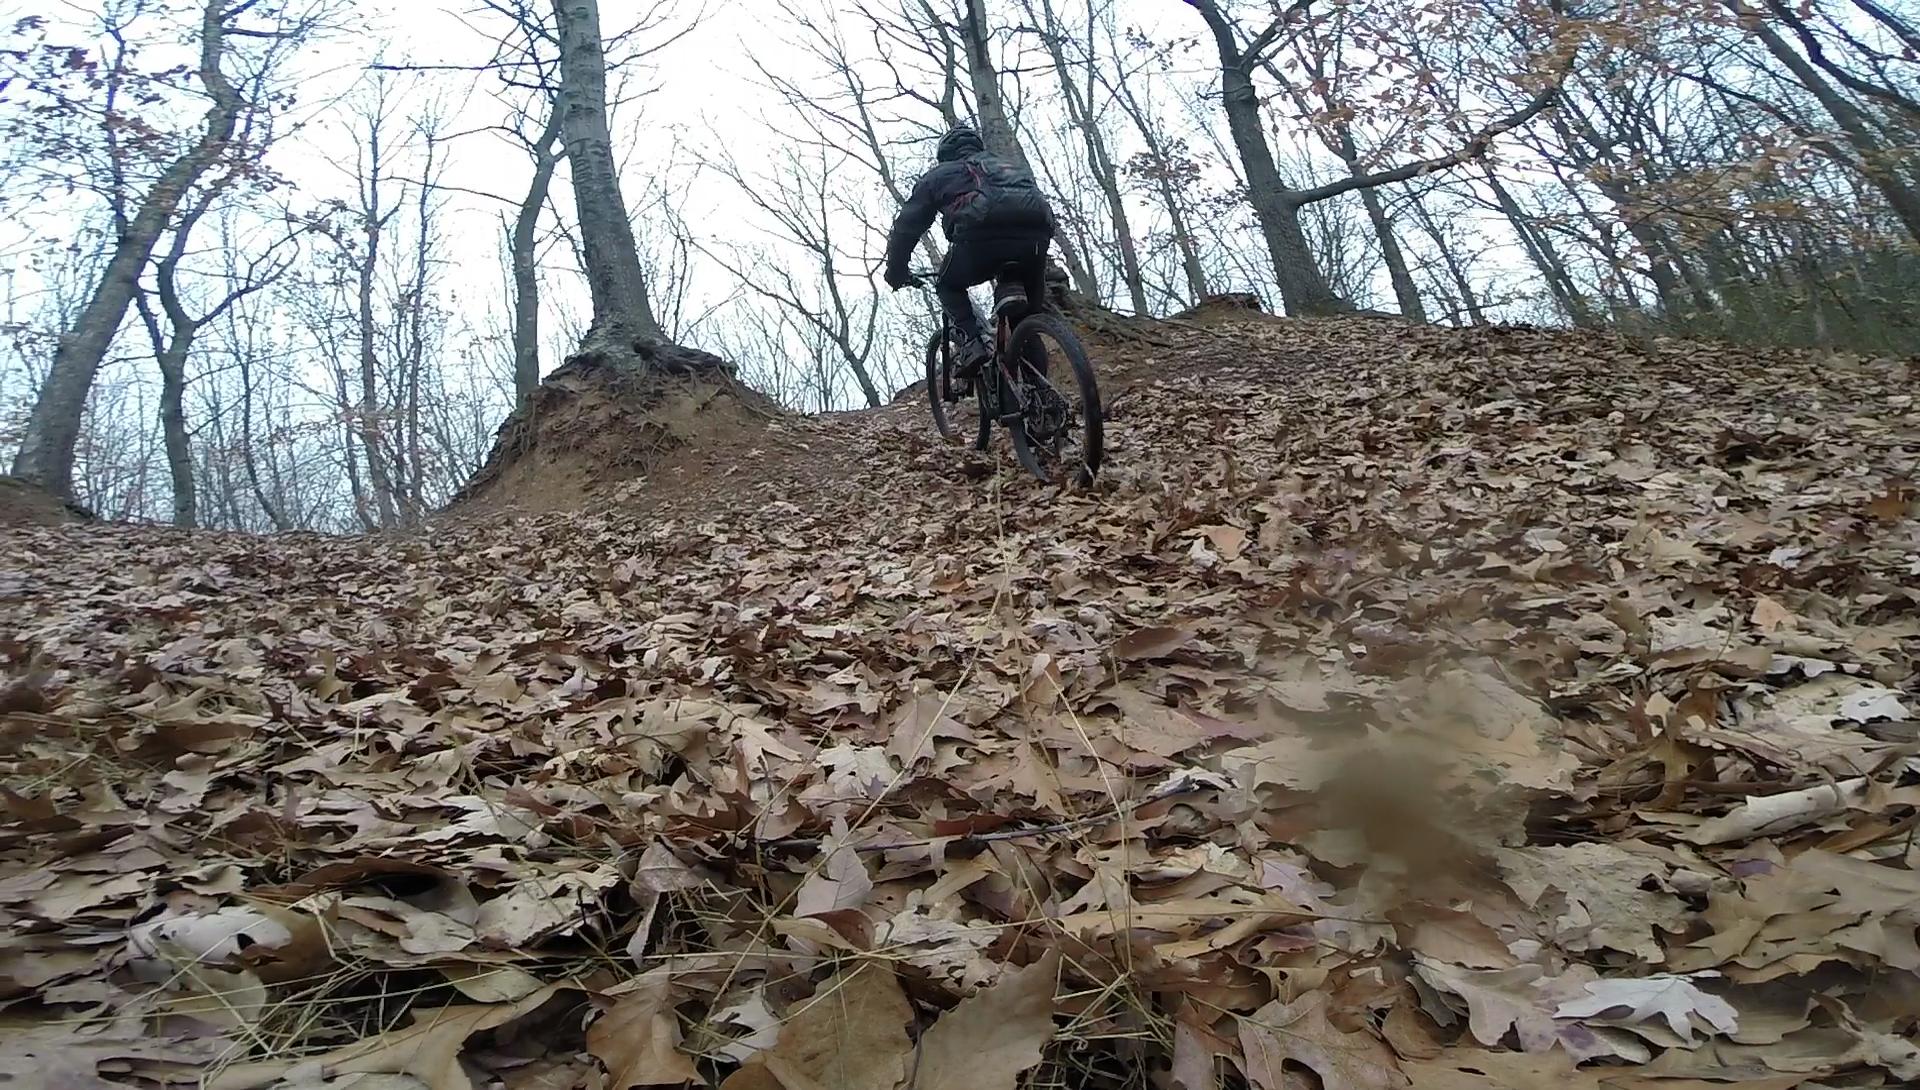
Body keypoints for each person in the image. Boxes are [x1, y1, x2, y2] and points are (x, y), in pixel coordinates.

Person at [883, 125, 1055, 384]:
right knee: (1025, 322)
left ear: (945, 155)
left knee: (947, 285)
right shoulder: (1008, 166)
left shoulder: (938, 175)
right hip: (1036, 239)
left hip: (981, 240)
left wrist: (896, 272)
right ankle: (1043, 399)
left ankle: (973, 345)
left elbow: (907, 228)